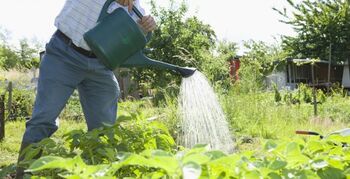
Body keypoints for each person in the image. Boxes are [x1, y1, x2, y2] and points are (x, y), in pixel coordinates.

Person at [15, 0, 156, 178]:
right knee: (43, 119)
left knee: (104, 130)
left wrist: (146, 24)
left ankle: (97, 173)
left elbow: (137, 27)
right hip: (63, 54)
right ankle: (24, 175)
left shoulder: (132, 3)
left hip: (100, 64)